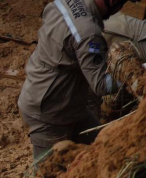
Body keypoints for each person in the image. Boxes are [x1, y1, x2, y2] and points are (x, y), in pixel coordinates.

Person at [18, 0, 135, 162]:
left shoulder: (63, 3)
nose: (120, 8)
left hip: (65, 102)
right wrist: (134, 76)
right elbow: (101, 84)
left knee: (104, 146)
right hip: (49, 113)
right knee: (49, 175)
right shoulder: (88, 33)